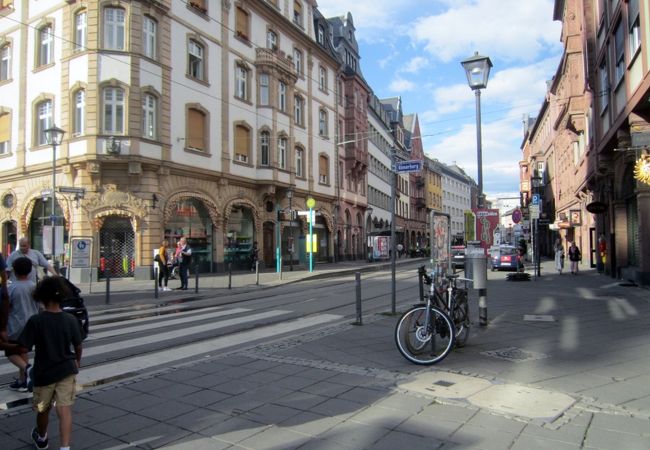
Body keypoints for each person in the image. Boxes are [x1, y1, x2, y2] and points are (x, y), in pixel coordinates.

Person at [14, 276, 83, 450]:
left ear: (41, 297)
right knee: (64, 409)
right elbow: (78, 345)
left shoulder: (36, 321)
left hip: (44, 372)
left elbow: (23, 348)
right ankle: (65, 447)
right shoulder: (71, 319)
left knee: (42, 408)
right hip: (67, 370)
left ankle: (42, 437)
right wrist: (77, 361)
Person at [0, 256, 38, 392]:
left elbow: (6, 307)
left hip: (16, 325)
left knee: (11, 352)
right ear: (30, 271)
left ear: (14, 271)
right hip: (32, 324)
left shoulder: (12, 288)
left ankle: (28, 369)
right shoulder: (34, 287)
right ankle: (23, 380)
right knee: (23, 351)